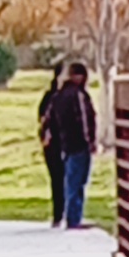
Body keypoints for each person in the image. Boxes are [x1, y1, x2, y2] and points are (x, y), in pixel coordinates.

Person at [45, 59, 98, 228]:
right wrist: (90, 141)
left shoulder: (57, 96)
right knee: (78, 182)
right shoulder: (78, 95)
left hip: (65, 144)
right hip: (79, 144)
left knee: (70, 180)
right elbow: (84, 119)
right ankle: (74, 219)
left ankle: (71, 216)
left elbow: (48, 120)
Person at [34, 67, 67, 225]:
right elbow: (42, 119)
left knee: (66, 178)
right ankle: (59, 213)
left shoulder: (70, 95)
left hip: (64, 142)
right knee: (57, 178)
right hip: (54, 143)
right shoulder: (51, 97)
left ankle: (66, 213)